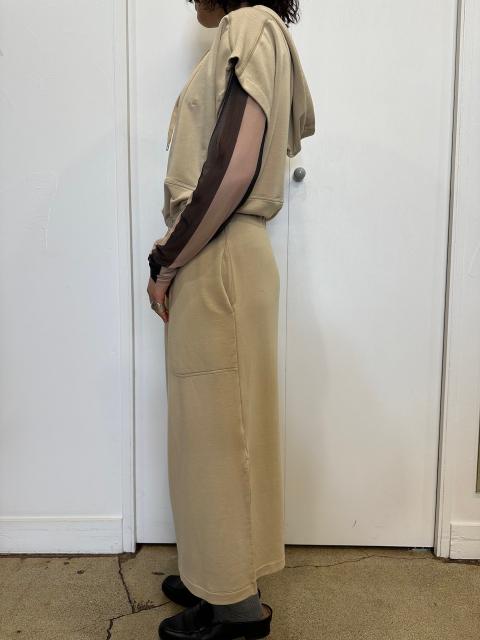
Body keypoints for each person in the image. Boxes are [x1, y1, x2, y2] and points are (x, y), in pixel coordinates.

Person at [147, 2, 315, 638]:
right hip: (217, 253)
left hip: (216, 252)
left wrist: (167, 258)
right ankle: (212, 571)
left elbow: (233, 168)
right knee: (210, 429)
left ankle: (237, 610)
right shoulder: (250, 31)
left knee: (221, 435)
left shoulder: (249, 25)